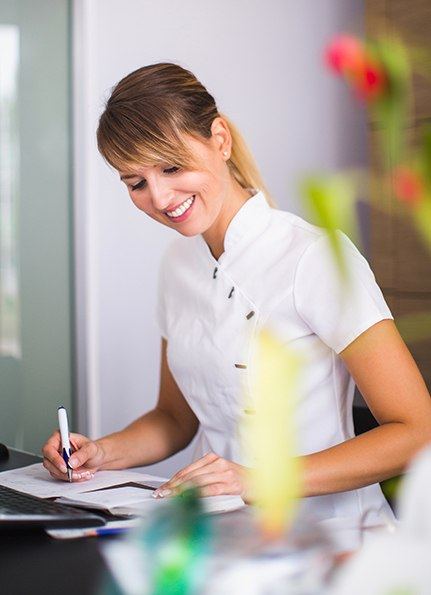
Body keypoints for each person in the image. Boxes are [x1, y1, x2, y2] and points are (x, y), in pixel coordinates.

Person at [43, 62, 431, 536]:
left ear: (219, 140)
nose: (161, 198)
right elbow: (174, 418)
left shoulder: (314, 257)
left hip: (332, 540)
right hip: (226, 540)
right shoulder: (177, 265)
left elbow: (416, 431)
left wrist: (255, 480)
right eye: (136, 183)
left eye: (171, 166)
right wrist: (100, 453)